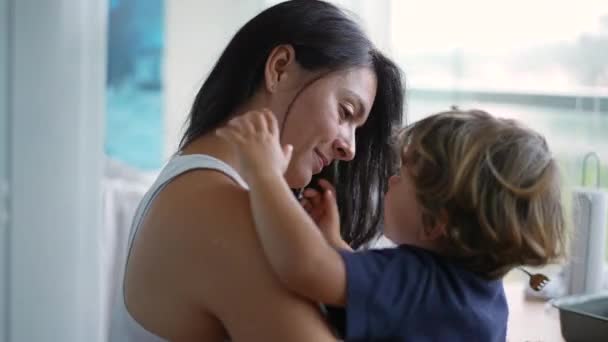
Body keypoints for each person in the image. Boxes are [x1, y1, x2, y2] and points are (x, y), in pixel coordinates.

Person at [109, 0, 405, 341]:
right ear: (279, 68)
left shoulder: (192, 184)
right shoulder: (220, 208)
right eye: (345, 111)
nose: (349, 148)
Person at [217, 108, 566, 341]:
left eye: (403, 174)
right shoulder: (480, 295)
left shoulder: (418, 280)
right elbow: (383, 298)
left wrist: (265, 174)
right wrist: (334, 244)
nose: (390, 180)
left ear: (438, 221)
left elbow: (305, 267)